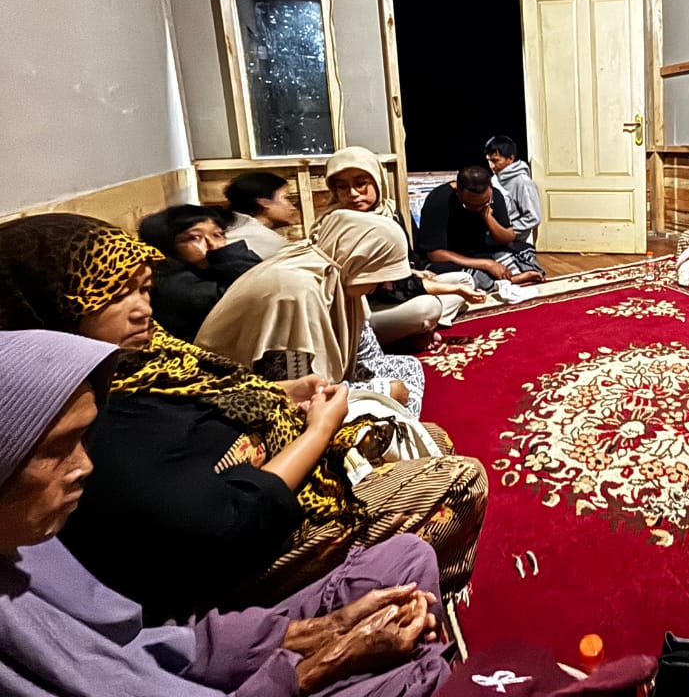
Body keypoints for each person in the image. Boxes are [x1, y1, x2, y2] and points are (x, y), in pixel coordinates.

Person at [0, 214, 487, 619]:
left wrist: (284, 395)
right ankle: (395, 603)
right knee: (458, 477)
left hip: (266, 463)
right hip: (255, 538)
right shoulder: (88, 408)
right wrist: (318, 428)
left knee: (428, 434)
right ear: (52, 306)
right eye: (113, 294)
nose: (141, 310)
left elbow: (244, 385)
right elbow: (226, 524)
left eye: (145, 289)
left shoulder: (149, 362)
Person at [0, 327, 454, 696]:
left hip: (195, 654)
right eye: (57, 448)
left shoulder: (31, 547)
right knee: (421, 667)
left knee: (408, 563)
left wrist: (317, 629)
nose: (85, 465)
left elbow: (146, 643)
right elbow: (221, 521)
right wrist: (323, 665)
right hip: (244, 572)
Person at [199, 209, 430, 414]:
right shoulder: (296, 292)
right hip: (249, 399)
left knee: (407, 368)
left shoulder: (337, 274)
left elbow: (367, 354)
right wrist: (383, 390)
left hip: (311, 382)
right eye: (380, 271)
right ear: (360, 259)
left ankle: (401, 429)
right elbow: (298, 392)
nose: (382, 284)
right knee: (386, 398)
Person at [324, 147, 484, 346]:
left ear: (377, 181)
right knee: (429, 306)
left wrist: (416, 272)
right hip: (365, 313)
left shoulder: (389, 212)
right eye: (342, 187)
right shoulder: (338, 225)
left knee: (465, 279)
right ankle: (412, 334)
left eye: (361, 184)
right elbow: (390, 288)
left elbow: (406, 261)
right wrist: (455, 290)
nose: (353, 193)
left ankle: (419, 330)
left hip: (400, 292)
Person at [138, 204, 262, 342]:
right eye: (194, 237)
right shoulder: (173, 284)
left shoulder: (204, 270)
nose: (213, 245)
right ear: (166, 245)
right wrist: (227, 255)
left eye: (218, 234)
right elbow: (255, 293)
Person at [415, 165, 545, 290]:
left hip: (480, 251)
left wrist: (487, 217)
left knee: (525, 251)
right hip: (453, 258)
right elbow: (435, 254)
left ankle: (501, 279)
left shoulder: (494, 196)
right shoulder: (438, 200)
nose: (478, 208)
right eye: (471, 205)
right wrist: (486, 264)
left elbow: (508, 238)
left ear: (490, 187)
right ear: (458, 192)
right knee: (450, 274)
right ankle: (508, 280)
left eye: (484, 203)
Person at [223, 171, 300, 260]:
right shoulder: (267, 240)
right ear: (264, 202)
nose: (292, 207)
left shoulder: (234, 230)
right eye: (286, 198)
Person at [485, 135, 542, 246]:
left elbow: (533, 217)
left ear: (510, 159)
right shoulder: (495, 179)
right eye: (489, 161)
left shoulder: (523, 182)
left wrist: (508, 231)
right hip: (492, 233)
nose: (491, 165)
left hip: (512, 240)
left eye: (495, 161)